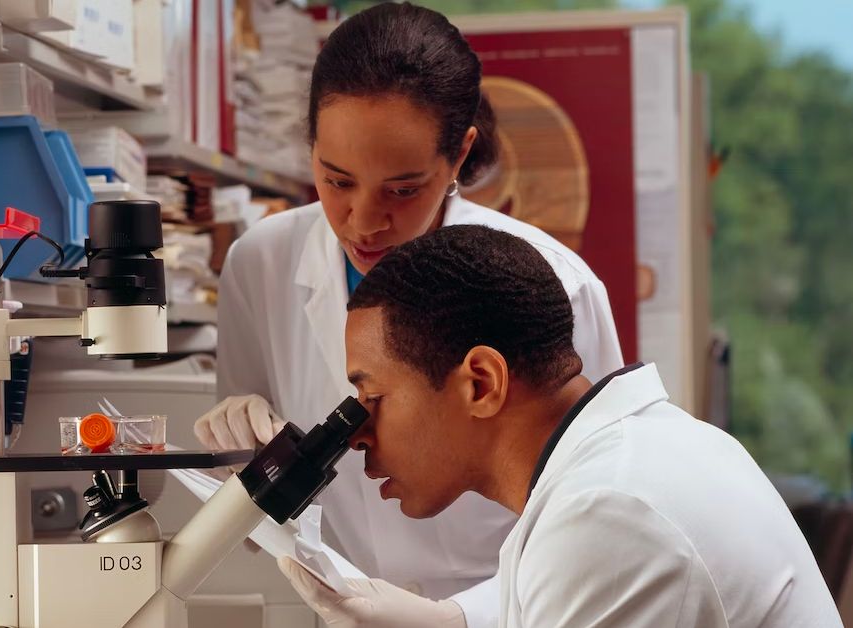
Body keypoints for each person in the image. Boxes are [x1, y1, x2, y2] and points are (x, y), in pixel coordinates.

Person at [195, 3, 623, 625]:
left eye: (403, 189)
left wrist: (458, 617)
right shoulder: (260, 263)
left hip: (513, 612)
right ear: (310, 144)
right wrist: (241, 449)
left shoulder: (554, 284)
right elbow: (254, 497)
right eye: (336, 180)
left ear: (458, 156)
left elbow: (595, 516)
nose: (364, 221)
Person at [277, 224, 842, 628]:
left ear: (481, 382)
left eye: (372, 396)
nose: (356, 435)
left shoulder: (610, 514)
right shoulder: (648, 454)